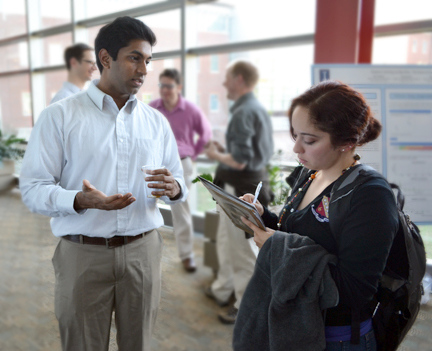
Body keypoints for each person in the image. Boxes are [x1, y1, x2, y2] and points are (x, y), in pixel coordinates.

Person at [20, 16, 187, 351]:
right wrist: (80, 201)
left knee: (137, 344)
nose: (143, 69)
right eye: (134, 57)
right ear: (106, 58)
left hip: (143, 253)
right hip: (82, 254)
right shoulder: (60, 116)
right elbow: (32, 189)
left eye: (148, 61)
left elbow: (178, 179)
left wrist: (174, 188)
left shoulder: (156, 122)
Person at [237, 80, 399, 350]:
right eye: (295, 135)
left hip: (336, 336)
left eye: (309, 140)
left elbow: (354, 291)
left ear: (347, 142)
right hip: (293, 324)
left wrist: (277, 247)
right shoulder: (309, 173)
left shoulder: (370, 196)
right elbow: (295, 234)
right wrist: (262, 217)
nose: (296, 149)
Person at [204, 60, 274, 324]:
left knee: (242, 252)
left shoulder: (245, 111)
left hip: (241, 190)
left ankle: (246, 306)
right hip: (244, 186)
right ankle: (223, 289)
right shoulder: (254, 109)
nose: (224, 84)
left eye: (228, 78)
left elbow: (242, 160)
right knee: (226, 243)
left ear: (240, 80)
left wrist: (214, 153)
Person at [149, 68, 212, 273]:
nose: (164, 90)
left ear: (179, 87)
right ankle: (146, 251)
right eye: (162, 85)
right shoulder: (152, 108)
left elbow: (206, 133)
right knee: (144, 204)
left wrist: (192, 155)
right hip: (155, 164)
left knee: (181, 210)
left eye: (169, 86)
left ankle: (186, 256)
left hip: (181, 164)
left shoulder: (190, 110)